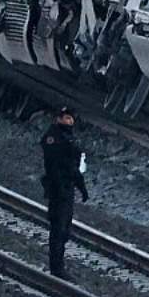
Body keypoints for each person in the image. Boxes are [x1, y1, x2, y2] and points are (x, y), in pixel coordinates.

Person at [40, 106, 91, 278]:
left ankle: (58, 265)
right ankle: (56, 267)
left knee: (64, 229)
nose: (69, 121)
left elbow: (73, 166)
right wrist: (80, 187)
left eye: (71, 118)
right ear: (58, 118)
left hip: (66, 188)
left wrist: (80, 186)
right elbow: (60, 165)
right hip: (58, 189)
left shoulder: (66, 138)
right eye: (66, 118)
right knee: (58, 229)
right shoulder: (54, 138)